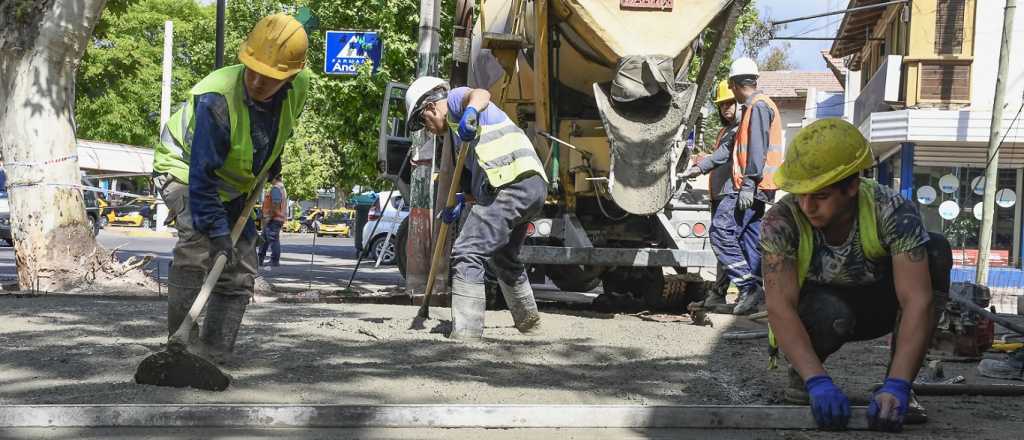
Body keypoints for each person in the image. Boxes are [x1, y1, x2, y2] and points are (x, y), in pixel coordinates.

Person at [761, 118, 952, 432]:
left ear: (852, 186)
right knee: (829, 312)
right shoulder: (781, 221)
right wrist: (817, 381)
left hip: (878, 306)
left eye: (820, 196)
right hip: (820, 311)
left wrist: (899, 384)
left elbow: (917, 300)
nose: (807, 206)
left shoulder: (891, 210)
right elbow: (779, 306)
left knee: (936, 250)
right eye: (800, 194)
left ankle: (897, 386)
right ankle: (805, 373)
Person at [151, 13, 309, 361]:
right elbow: (203, 177)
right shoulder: (216, 100)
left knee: (240, 269)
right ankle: (180, 350)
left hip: (235, 186)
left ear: (290, 76)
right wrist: (219, 232)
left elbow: (281, 126)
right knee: (199, 246)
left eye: (269, 77)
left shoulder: (299, 86)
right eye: (251, 69)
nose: (257, 80)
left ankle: (213, 355)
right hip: (184, 172)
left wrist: (272, 160)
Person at [405, 76, 548, 340]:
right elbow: (485, 177)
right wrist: (461, 200)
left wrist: (470, 112)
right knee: (503, 256)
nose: (428, 130)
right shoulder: (458, 137)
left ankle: (467, 332)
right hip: (531, 186)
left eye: (423, 123)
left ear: (431, 107)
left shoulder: (456, 102)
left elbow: (480, 93)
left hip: (512, 184)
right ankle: (529, 322)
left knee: (467, 250)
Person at [680, 80, 739, 312]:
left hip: (731, 193)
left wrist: (698, 168)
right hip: (719, 194)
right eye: (722, 105)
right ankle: (717, 294)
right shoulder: (726, 130)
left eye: (730, 103)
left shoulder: (739, 129)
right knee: (720, 243)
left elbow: (723, 156)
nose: (726, 108)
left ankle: (745, 290)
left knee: (724, 240)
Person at [258, 174, 287, 268]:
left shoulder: (276, 188)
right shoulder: (281, 188)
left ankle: (274, 261)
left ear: (274, 177)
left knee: (273, 240)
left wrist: (269, 216)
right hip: (275, 218)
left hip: (273, 218)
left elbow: (276, 203)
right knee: (264, 240)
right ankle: (260, 260)